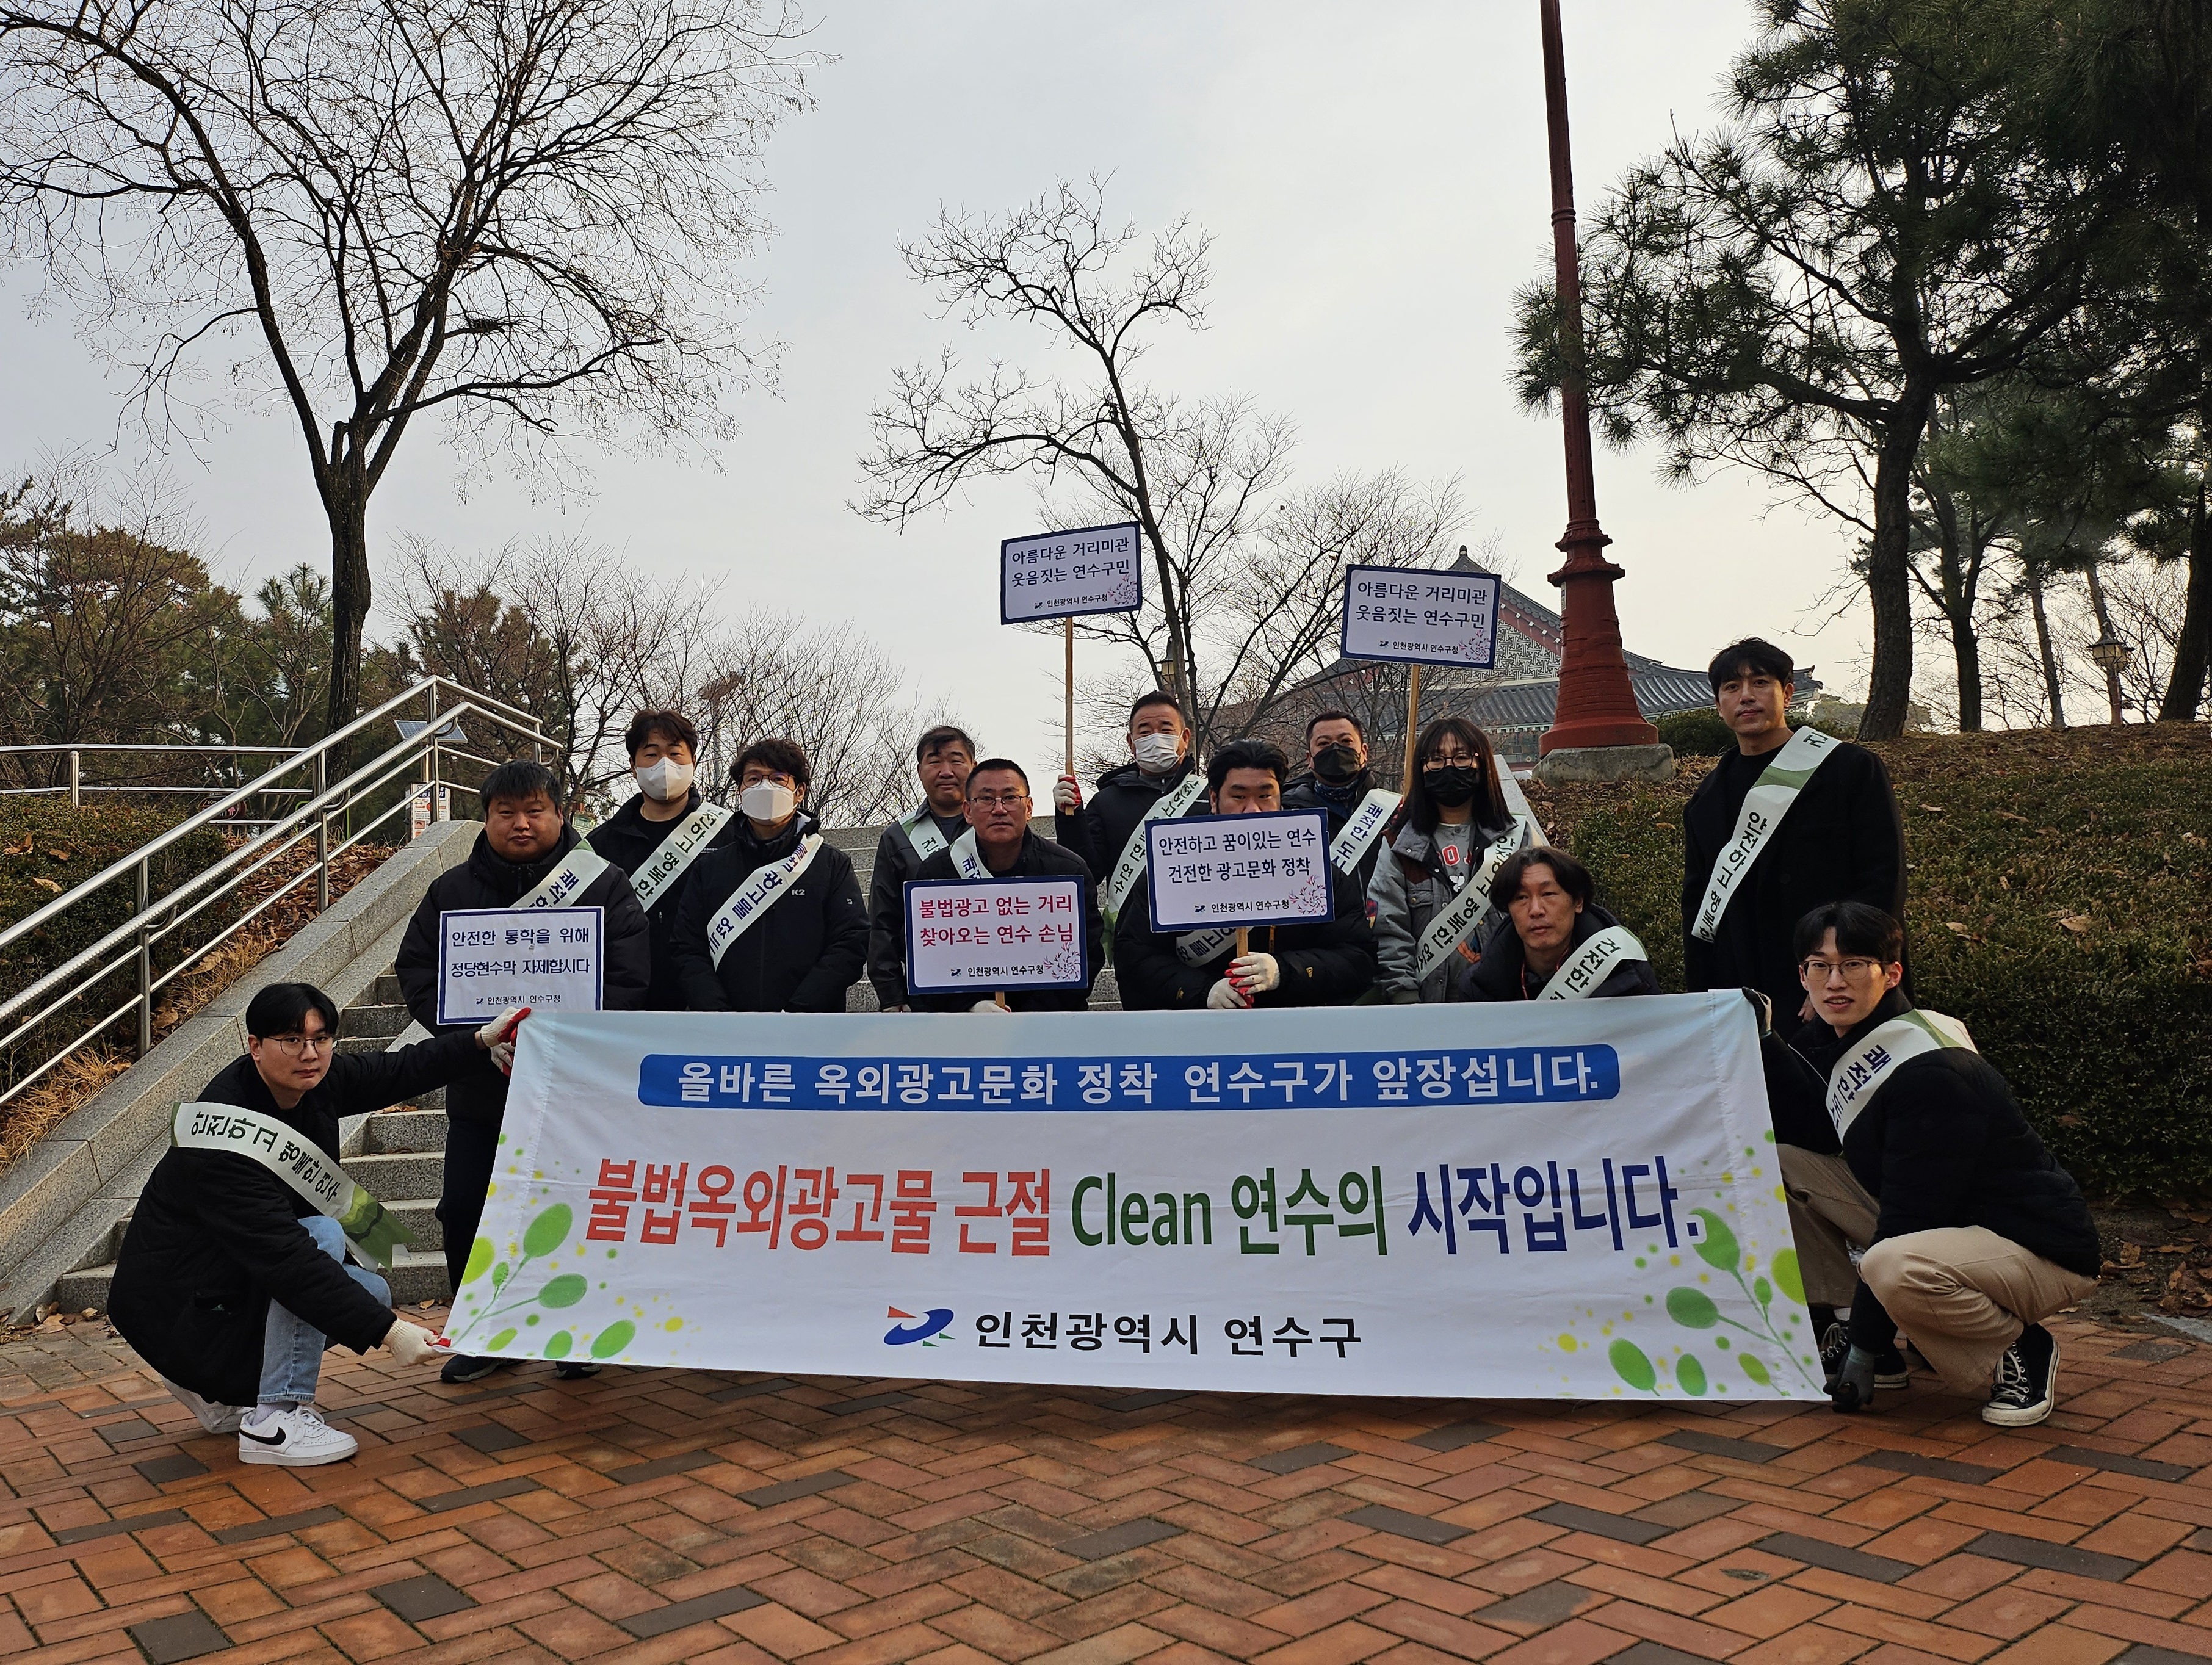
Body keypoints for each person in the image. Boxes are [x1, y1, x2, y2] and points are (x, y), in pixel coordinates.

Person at [109, 983, 524, 1465]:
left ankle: (213, 1390)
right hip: (178, 1302)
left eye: (321, 1039)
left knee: (371, 1292)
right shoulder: (225, 1142)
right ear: (255, 1047)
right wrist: (392, 1334)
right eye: (292, 1040)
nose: (310, 1054)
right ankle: (274, 1419)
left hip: (222, 1283)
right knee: (322, 1240)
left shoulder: (309, 1082)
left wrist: (480, 1041)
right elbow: (287, 1259)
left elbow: (397, 1069)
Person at [1762, 901, 2098, 1427]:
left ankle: (2020, 1347)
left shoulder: (1932, 1072)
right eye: (1819, 966)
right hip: (1948, 1223)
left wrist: (1862, 1356)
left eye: (1854, 965)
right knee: (1777, 1165)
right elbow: (1813, 1132)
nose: (1834, 982)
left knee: (1892, 1265)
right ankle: (1862, 1332)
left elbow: (1909, 1221)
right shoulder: (1848, 1036)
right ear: (1801, 975)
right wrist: (1767, 1041)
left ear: (1891, 972)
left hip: (2032, 1246)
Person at [396, 759, 652, 1384]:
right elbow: (419, 974)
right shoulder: (450, 892)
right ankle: (486, 1334)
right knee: (465, 1210)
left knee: (577, 1210)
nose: (520, 822)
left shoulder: (603, 884)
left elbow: (628, 976)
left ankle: (578, 1334)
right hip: (483, 1091)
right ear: (485, 818)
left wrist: (562, 1041)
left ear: (560, 813)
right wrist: (472, 1041)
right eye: (505, 812)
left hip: (574, 1093)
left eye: (534, 809)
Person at [1682, 638, 1908, 1024]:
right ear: (1719, 705)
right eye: (1732, 688)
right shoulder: (1707, 800)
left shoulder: (1849, 769)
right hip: (1746, 991)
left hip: (1843, 984)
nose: (1746, 697)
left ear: (1786, 693)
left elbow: (1883, 878)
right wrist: (1705, 1000)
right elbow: (1699, 906)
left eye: (1760, 683)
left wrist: (1833, 983)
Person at [1114, 739, 1375, 1009]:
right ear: (1214, 799)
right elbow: (1137, 957)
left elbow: (1357, 958)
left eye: (1265, 796)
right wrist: (1202, 992)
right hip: (1197, 1031)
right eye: (1239, 797)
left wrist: (1283, 971)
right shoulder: (1171, 871)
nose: (1252, 810)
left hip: (1296, 1031)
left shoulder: (1315, 872)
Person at [670, 737, 868, 1014]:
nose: (764, 787)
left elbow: (850, 943)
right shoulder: (710, 868)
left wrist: (800, 1010)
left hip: (811, 1029)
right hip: (724, 1034)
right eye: (753, 779)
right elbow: (688, 947)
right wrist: (717, 1012)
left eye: (777, 779)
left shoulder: (830, 865)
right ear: (740, 789)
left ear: (799, 792)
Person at [908, 758, 1102, 1012]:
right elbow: (927, 961)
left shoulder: (1067, 870)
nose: (999, 809)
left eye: (1011, 798)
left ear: (1029, 808)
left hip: (1052, 1022)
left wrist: (1029, 1015)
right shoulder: (937, 873)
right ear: (967, 811)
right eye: (986, 799)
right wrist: (969, 1007)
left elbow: (1088, 956)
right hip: (965, 1027)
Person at [1368, 717, 1534, 1003]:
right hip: (1429, 1005)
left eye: (1461, 757)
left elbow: (1538, 911)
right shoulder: (1398, 846)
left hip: (1508, 1002)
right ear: (1421, 768)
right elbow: (1389, 930)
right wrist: (1405, 998)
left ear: (1481, 764)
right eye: (1435, 760)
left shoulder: (1516, 837)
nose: (1448, 768)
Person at [586, 710, 736, 1010]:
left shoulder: (728, 832)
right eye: (651, 754)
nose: (664, 765)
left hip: (712, 1000)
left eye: (675, 753)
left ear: (694, 762)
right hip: (628, 1003)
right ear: (633, 766)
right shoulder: (601, 844)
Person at [1055, 691, 1205, 944]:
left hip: (1200, 936)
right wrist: (1070, 817)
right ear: (1131, 742)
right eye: (1145, 731)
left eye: (1166, 729)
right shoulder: (1107, 802)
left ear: (1185, 737)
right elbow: (1086, 872)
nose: (1156, 738)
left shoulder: (1208, 797)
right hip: (1135, 942)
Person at [869, 725, 978, 1010]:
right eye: (934, 761)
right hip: (925, 988)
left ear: (974, 767)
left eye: (956, 760)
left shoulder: (995, 827)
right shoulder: (898, 837)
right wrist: (892, 995)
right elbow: (883, 920)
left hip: (992, 978)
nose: (946, 771)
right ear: (919, 771)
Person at [1460, 847, 1658, 1001]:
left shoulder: (1624, 969)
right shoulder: (1479, 985)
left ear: (1578, 902)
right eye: (1521, 897)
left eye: (1548, 894)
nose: (1536, 909)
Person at [1282, 709, 1396, 905]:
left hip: (1388, 931)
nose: (1335, 749)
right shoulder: (1287, 816)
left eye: (1346, 741)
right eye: (1324, 744)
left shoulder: (1396, 812)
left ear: (1364, 752)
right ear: (1309, 758)